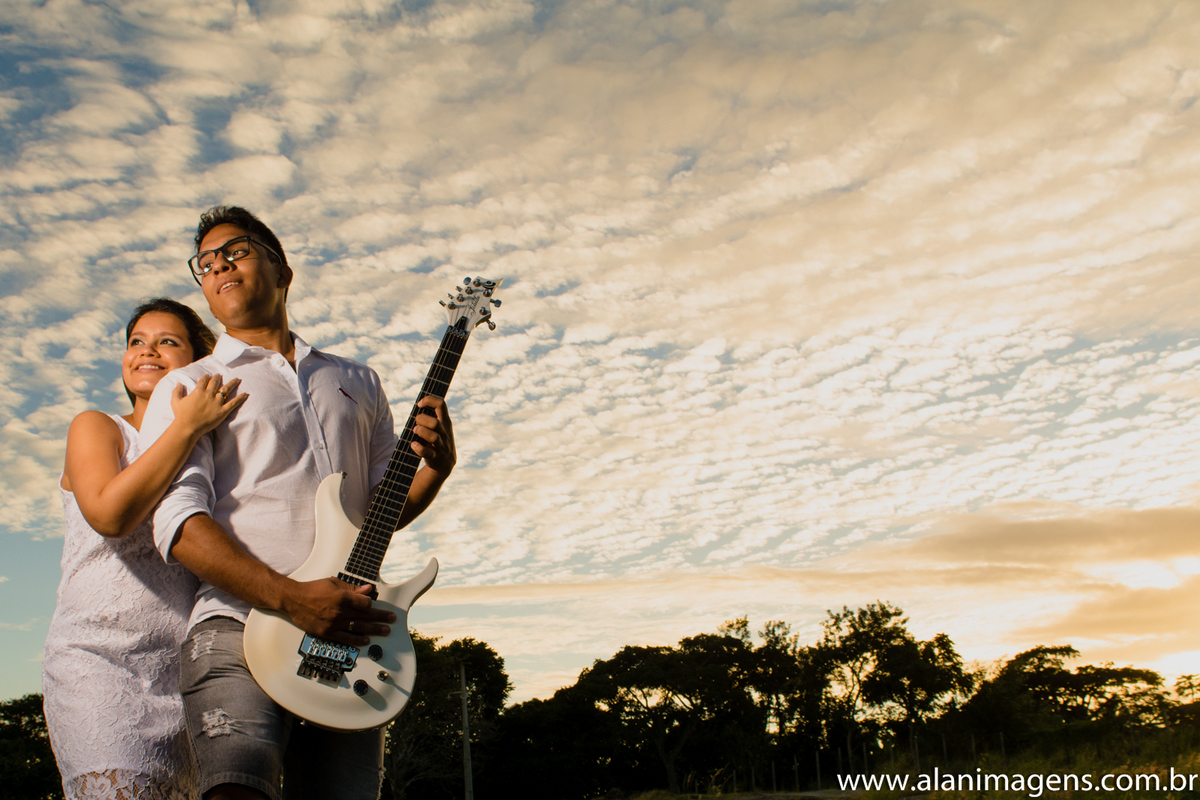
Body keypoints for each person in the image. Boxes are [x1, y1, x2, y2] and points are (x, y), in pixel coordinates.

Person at [139, 206, 456, 800]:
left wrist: (436, 470)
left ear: (282, 270)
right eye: (204, 263)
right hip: (235, 624)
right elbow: (178, 524)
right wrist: (290, 597)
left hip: (349, 634)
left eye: (235, 249)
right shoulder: (188, 386)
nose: (218, 265)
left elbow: (378, 514)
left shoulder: (358, 380)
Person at [43, 298, 248, 800]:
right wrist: (185, 425)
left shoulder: (214, 451)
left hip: (187, 672)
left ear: (200, 362)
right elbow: (110, 515)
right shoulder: (98, 426)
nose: (145, 351)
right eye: (136, 341)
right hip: (99, 661)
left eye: (167, 342)